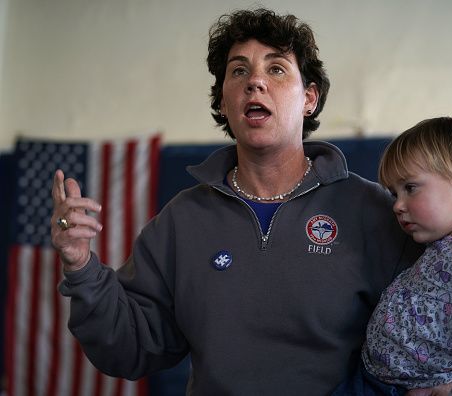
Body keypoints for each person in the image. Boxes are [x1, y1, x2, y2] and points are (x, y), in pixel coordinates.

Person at [51, 8, 428, 395]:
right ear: (224, 103)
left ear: (309, 99)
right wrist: (80, 266)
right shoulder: (182, 220)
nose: (255, 83)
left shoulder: (371, 209)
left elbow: (441, 321)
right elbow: (129, 349)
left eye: (277, 69)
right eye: (239, 71)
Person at [333, 117, 452, 395]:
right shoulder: (444, 246)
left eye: (410, 188)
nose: (397, 205)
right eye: (394, 193)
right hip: (372, 380)